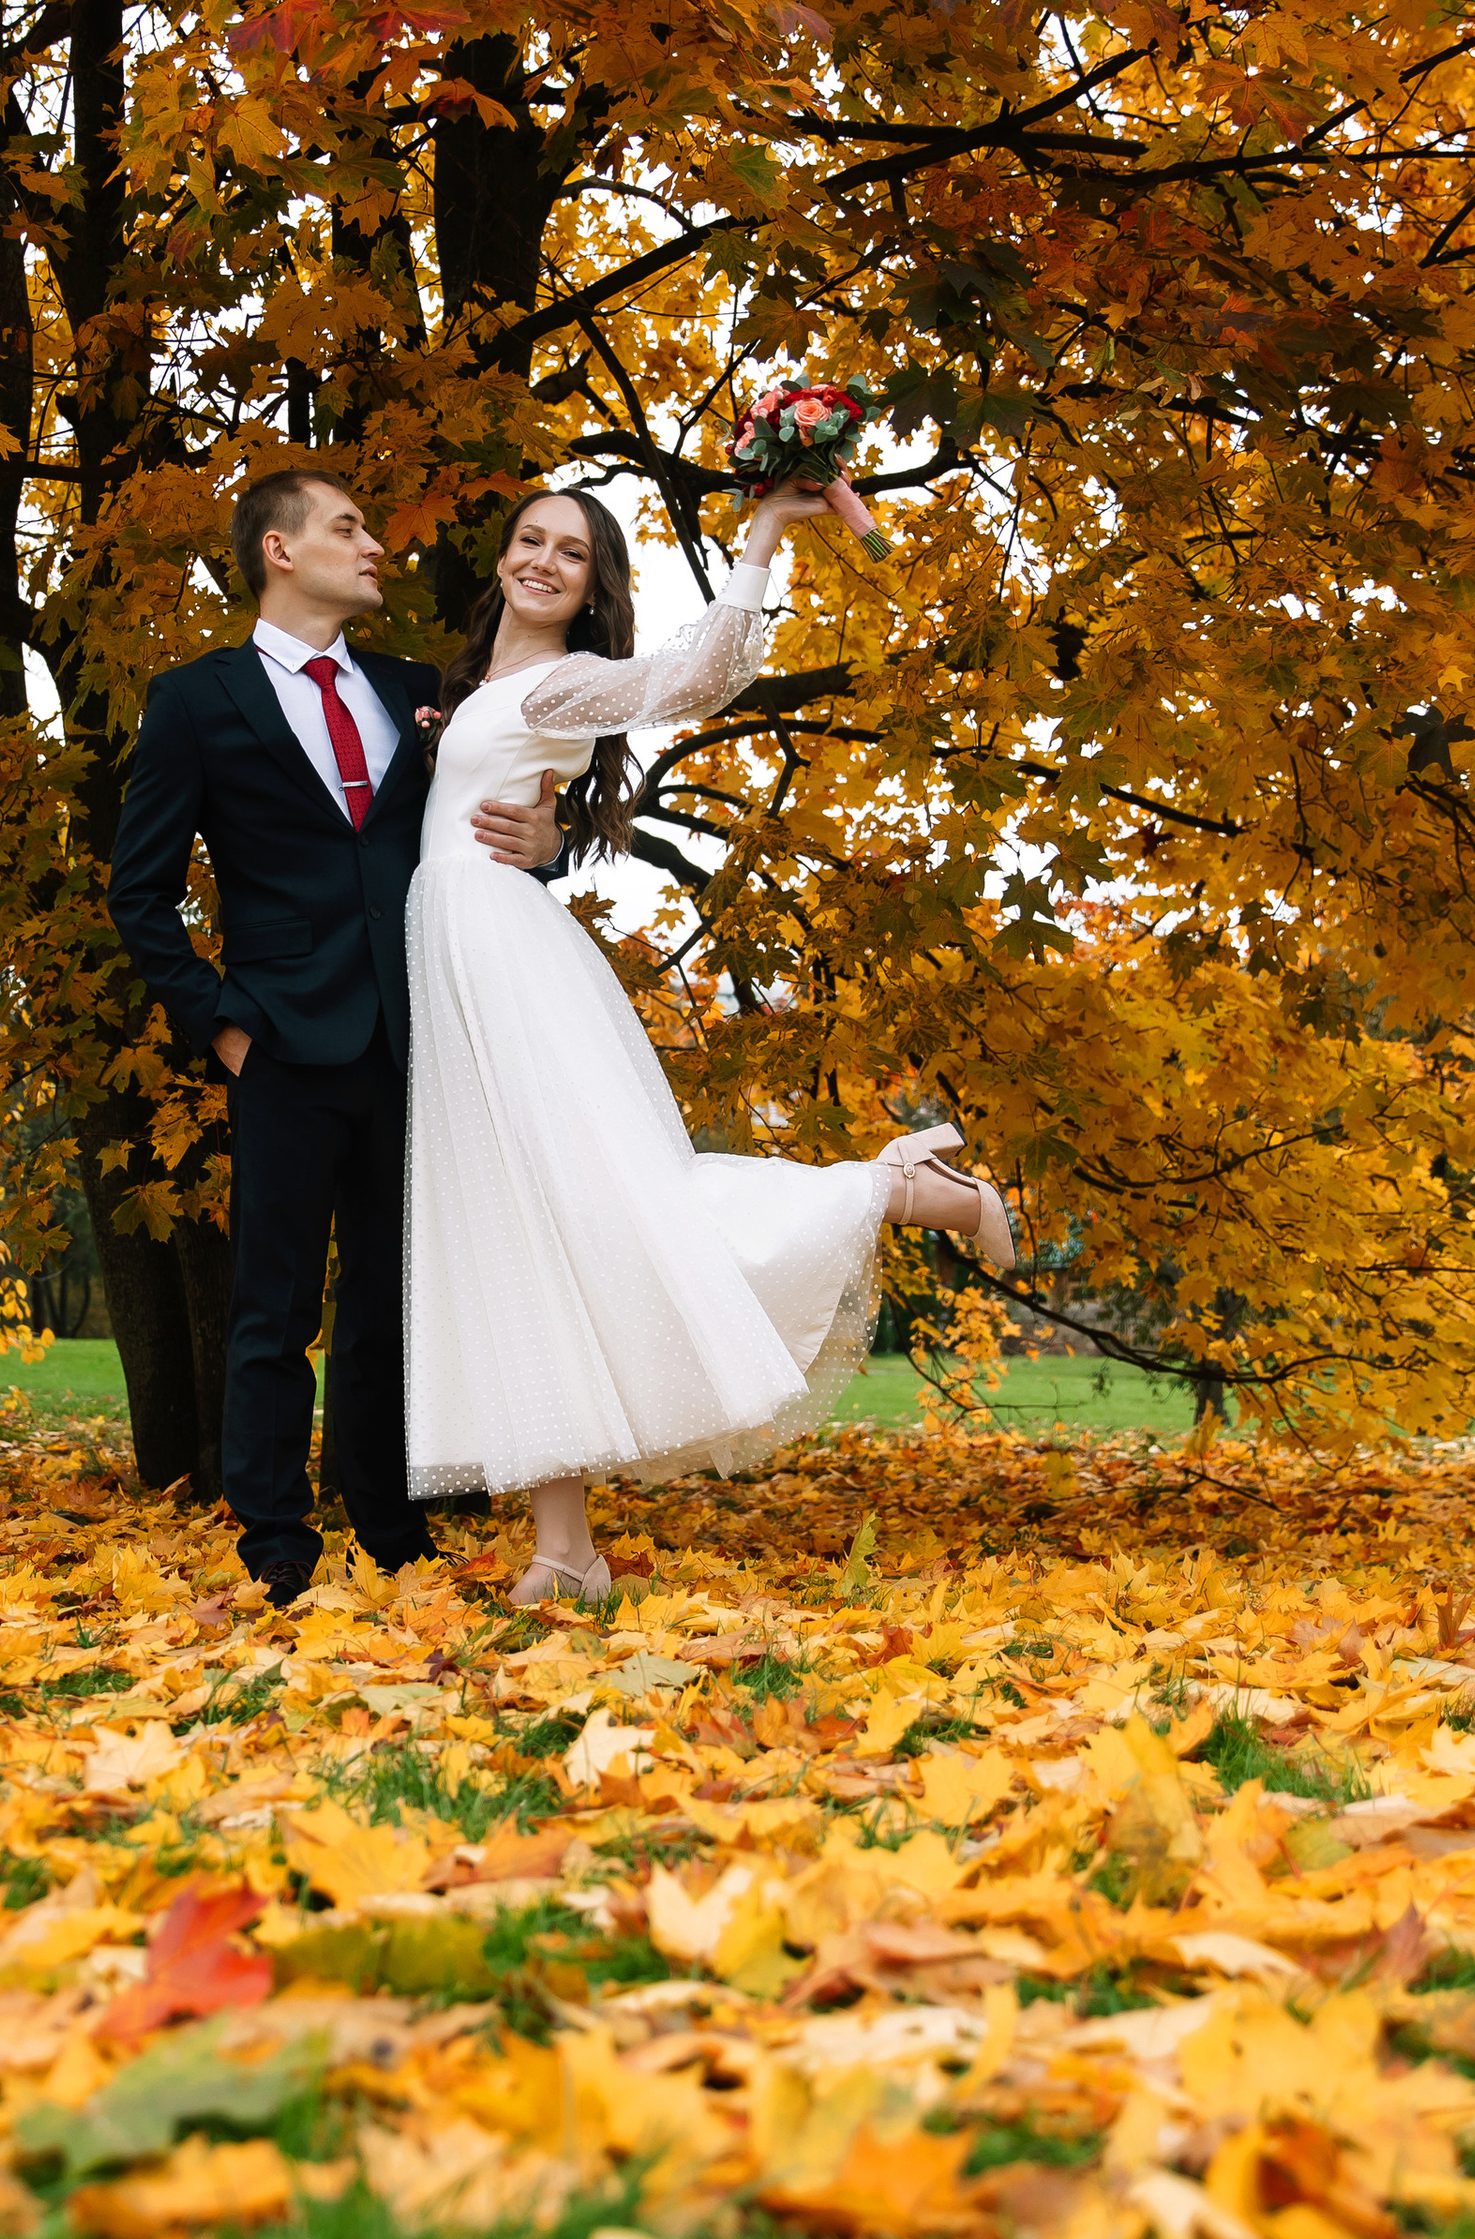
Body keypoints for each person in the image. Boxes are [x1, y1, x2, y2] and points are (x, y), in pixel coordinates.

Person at [405, 479, 1017, 1606]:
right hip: (456, 968)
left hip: (504, 968)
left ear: (594, 589)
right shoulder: (467, 685)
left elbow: (697, 678)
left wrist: (764, 536)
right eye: (529, 541)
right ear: (499, 557)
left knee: (613, 1210)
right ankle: (565, 1550)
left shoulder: (560, 683)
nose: (543, 561)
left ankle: (922, 1193)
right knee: (524, 1241)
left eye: (572, 554)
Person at [109, 469, 563, 1604]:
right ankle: (274, 1544)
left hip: (416, 1034)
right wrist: (218, 1026)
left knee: (387, 1304)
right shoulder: (196, 701)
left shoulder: (418, 690)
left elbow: (504, 804)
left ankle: (388, 1528)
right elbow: (140, 894)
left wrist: (547, 832)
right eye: (349, 528)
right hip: (277, 1040)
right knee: (272, 1306)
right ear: (278, 548)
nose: (373, 548)